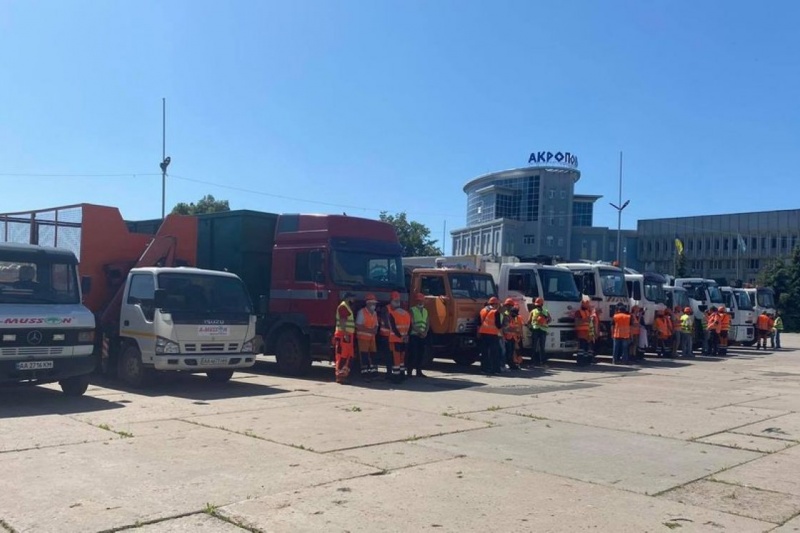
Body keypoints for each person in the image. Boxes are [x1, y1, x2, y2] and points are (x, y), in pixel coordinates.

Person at [387, 291, 411, 383]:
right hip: (404, 340)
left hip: (395, 340)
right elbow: (410, 326)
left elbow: (393, 328)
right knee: (402, 359)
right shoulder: (406, 313)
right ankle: (402, 375)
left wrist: (400, 336)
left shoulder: (392, 314)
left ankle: (396, 377)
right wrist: (405, 336)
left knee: (395, 359)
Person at [355, 293, 380, 380]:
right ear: (368, 303)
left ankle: (373, 373)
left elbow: (376, 324)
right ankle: (364, 374)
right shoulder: (361, 312)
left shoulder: (374, 313)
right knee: (364, 356)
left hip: (372, 338)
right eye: (373, 303)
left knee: (373, 355)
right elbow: (358, 325)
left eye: (375, 303)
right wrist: (370, 330)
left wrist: (375, 330)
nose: (374, 305)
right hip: (363, 338)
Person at [334, 292, 357, 384]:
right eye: (353, 297)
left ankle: (344, 376)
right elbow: (343, 321)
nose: (354, 299)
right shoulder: (343, 307)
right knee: (342, 356)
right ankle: (340, 376)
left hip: (348, 335)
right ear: (348, 298)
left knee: (348, 355)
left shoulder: (346, 307)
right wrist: (345, 334)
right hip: (344, 335)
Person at [478, 296, 504, 374]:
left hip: (483, 333)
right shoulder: (495, 312)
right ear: (495, 304)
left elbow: (479, 323)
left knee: (484, 352)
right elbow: (498, 325)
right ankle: (495, 369)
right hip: (492, 334)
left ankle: (484, 368)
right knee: (494, 353)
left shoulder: (482, 310)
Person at [407, 293, 430, 378]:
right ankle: (409, 372)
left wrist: (425, 332)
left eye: (422, 300)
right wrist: (420, 332)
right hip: (414, 335)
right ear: (416, 301)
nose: (420, 302)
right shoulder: (412, 310)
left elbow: (427, 323)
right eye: (419, 300)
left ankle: (418, 371)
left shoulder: (425, 311)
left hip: (423, 336)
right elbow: (412, 323)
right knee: (413, 354)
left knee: (421, 354)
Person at [529, 297, 551, 366]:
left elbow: (549, 320)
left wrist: (545, 320)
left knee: (539, 347)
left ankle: (540, 362)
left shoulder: (545, 311)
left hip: (541, 330)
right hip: (536, 330)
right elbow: (529, 321)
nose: (538, 306)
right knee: (537, 347)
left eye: (538, 305)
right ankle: (535, 362)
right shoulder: (533, 311)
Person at [502, 299, 523, 371]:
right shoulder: (506, 315)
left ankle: (511, 364)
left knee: (511, 352)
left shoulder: (511, 315)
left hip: (512, 337)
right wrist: (514, 330)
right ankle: (508, 364)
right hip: (507, 336)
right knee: (508, 352)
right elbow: (505, 328)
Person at [574, 300, 593, 366]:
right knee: (581, 349)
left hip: (588, 333)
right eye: (586, 304)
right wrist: (585, 320)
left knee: (586, 349)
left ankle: (586, 362)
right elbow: (576, 323)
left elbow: (590, 324)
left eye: (587, 304)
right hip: (581, 332)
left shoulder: (588, 312)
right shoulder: (578, 312)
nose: (587, 306)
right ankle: (580, 362)